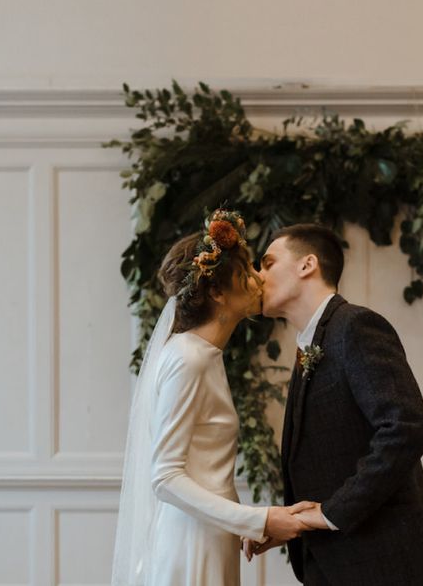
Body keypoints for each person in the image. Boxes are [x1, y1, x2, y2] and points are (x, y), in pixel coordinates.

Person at [111, 209, 313, 586]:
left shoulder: (203, 355)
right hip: (191, 542)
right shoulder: (188, 358)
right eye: (247, 272)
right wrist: (260, 519)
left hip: (211, 535)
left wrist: (241, 522)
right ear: (218, 292)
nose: (259, 278)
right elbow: (166, 477)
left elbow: (205, 470)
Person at [249, 223, 423, 586]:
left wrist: (329, 514)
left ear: (307, 265)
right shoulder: (309, 343)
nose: (258, 275)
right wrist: (294, 523)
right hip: (335, 559)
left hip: (378, 560)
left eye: (267, 263)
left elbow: (406, 428)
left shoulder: (354, 326)